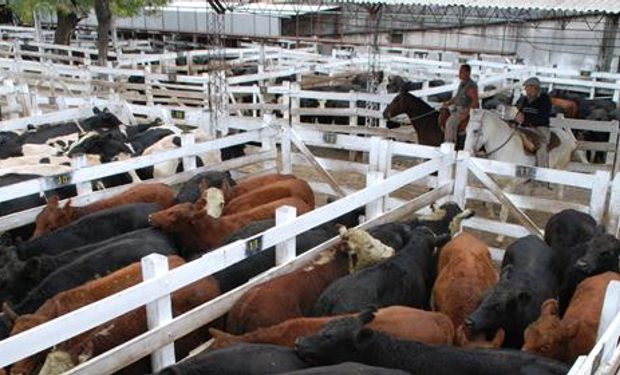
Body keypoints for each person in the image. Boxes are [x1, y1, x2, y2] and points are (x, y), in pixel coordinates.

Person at [515, 77, 552, 168]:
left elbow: (543, 117)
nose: (528, 90)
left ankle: (542, 171)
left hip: (540, 128)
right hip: (524, 127)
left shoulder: (544, 99)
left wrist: (526, 120)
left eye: (530, 87)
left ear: (536, 88)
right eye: (527, 88)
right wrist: (516, 116)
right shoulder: (522, 100)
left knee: (541, 145)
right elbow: (516, 111)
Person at [441, 64, 479, 144]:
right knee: (443, 112)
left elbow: (475, 102)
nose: (459, 74)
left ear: (468, 73)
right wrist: (448, 102)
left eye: (462, 72)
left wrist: (466, 113)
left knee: (450, 123)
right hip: (456, 107)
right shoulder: (462, 83)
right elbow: (457, 97)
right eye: (460, 71)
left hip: (463, 109)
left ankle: (450, 143)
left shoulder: (471, 86)